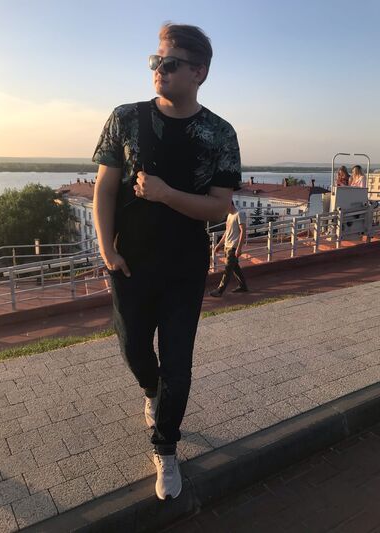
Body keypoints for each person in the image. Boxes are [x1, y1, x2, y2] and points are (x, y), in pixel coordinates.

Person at [92, 23, 241, 500]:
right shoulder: (126, 118)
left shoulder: (219, 133)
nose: (159, 69)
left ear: (199, 72)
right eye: (156, 60)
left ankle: (166, 447)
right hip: (130, 262)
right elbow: (104, 188)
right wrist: (106, 248)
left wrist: (165, 194)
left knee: (178, 365)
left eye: (171, 63)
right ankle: (151, 391)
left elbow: (219, 207)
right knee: (135, 348)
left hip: (184, 266)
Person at [210, 202, 248, 297]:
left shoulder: (239, 214)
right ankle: (243, 286)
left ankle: (220, 290)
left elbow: (243, 231)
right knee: (235, 268)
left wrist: (239, 248)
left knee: (227, 269)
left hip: (233, 247)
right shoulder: (229, 216)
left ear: (230, 204)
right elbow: (227, 232)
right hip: (227, 246)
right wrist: (219, 245)